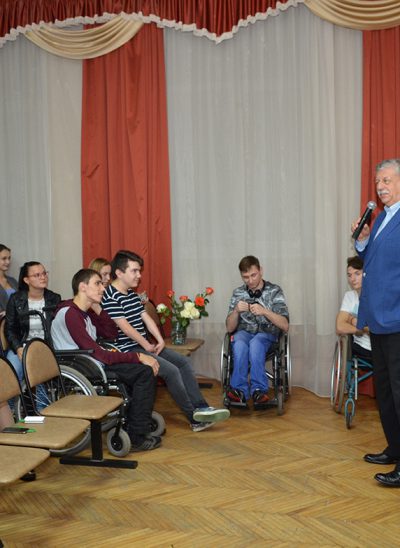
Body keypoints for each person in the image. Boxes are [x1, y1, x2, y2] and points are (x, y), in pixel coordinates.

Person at [101, 250, 230, 432]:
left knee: (183, 362)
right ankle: (194, 418)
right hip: (129, 349)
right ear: (119, 273)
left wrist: (160, 340)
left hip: (143, 345)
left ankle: (201, 407)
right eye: (134, 271)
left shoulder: (130, 293)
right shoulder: (110, 296)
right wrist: (146, 345)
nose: (139, 275)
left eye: (139, 271)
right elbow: (126, 328)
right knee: (171, 371)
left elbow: (145, 317)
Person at [50, 268, 162, 452]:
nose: (103, 288)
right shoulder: (70, 314)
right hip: (81, 365)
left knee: (142, 371)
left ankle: (135, 424)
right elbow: (99, 354)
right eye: (98, 284)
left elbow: (110, 334)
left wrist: (98, 308)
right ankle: (136, 437)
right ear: (82, 287)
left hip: (91, 361)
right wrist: (138, 356)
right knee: (143, 373)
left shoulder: (84, 312)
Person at [352, 158, 400, 487]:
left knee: (398, 392)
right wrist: (362, 240)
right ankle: (394, 448)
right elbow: (370, 261)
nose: (380, 187)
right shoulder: (383, 217)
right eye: (377, 181)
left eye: (387, 180)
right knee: (385, 391)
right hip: (379, 319)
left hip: (396, 317)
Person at [225, 255, 289, 407]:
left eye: (253, 275)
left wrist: (264, 311)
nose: (250, 281)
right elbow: (229, 328)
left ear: (261, 271)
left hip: (267, 335)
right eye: (245, 277)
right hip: (244, 333)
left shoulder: (275, 291)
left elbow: (285, 325)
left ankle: (258, 390)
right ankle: (239, 391)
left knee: (256, 342)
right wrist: (236, 311)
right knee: (239, 343)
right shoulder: (238, 293)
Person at [5, 262, 60, 382]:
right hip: (22, 345)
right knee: (13, 372)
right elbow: (9, 329)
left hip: (46, 347)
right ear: (26, 280)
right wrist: (18, 348)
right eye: (37, 275)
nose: (43, 277)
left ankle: (41, 395)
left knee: (44, 375)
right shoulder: (16, 299)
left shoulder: (54, 299)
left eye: (44, 273)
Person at [336, 256, 372, 361]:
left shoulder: (376, 295)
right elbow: (340, 327)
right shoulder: (349, 296)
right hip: (360, 348)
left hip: (380, 347)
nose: (352, 279)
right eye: (349, 275)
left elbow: (377, 329)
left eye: (357, 273)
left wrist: (352, 320)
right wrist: (363, 329)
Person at [0, 244, 18, 318]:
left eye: (9, 258)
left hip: (15, 321)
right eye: (4, 258)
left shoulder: (13, 280)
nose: (8, 262)